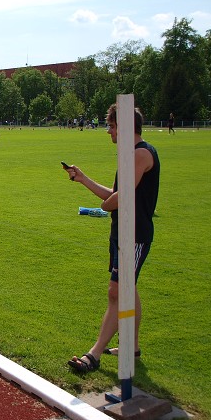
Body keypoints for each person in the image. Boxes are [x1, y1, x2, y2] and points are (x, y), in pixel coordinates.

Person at [64, 104, 160, 373]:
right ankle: (132, 347)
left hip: (134, 235)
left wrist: (106, 206)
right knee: (128, 290)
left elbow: (121, 197)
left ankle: (94, 355)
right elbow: (114, 195)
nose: (109, 131)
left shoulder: (141, 154)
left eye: (113, 126)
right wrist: (83, 179)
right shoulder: (131, 155)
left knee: (116, 292)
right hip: (122, 232)